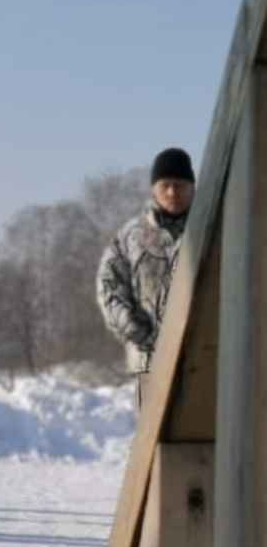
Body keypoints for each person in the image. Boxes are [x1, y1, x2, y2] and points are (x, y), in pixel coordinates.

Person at [97, 147, 195, 385]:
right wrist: (138, 332)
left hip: (203, 361)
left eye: (180, 185)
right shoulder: (131, 237)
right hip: (149, 367)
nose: (173, 192)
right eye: (166, 185)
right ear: (154, 190)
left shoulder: (213, 231)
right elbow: (108, 287)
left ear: (192, 187)